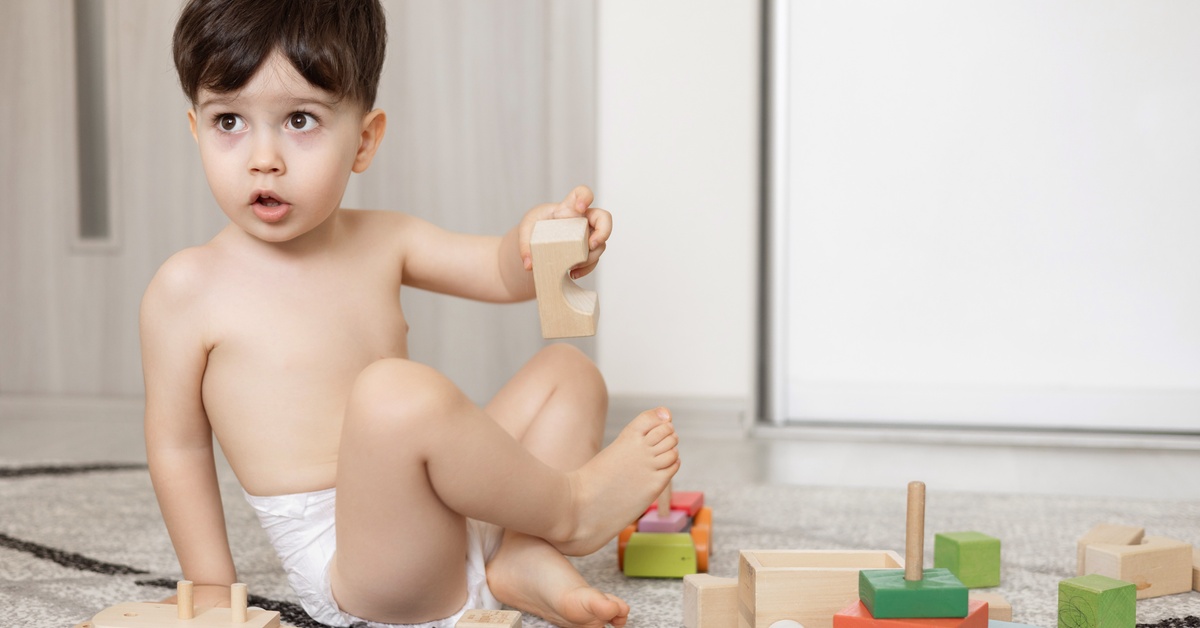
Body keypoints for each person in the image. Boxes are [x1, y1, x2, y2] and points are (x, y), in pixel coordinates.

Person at [139, 1, 680, 627]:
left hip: (447, 514)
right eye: (228, 120)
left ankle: (521, 554)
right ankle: (570, 506)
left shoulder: (383, 237)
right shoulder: (188, 287)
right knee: (393, 393)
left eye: (299, 120)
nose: (264, 157)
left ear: (364, 140)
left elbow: (501, 271)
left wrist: (543, 242)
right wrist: (209, 586)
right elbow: (178, 446)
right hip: (364, 570)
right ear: (195, 128)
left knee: (566, 371)